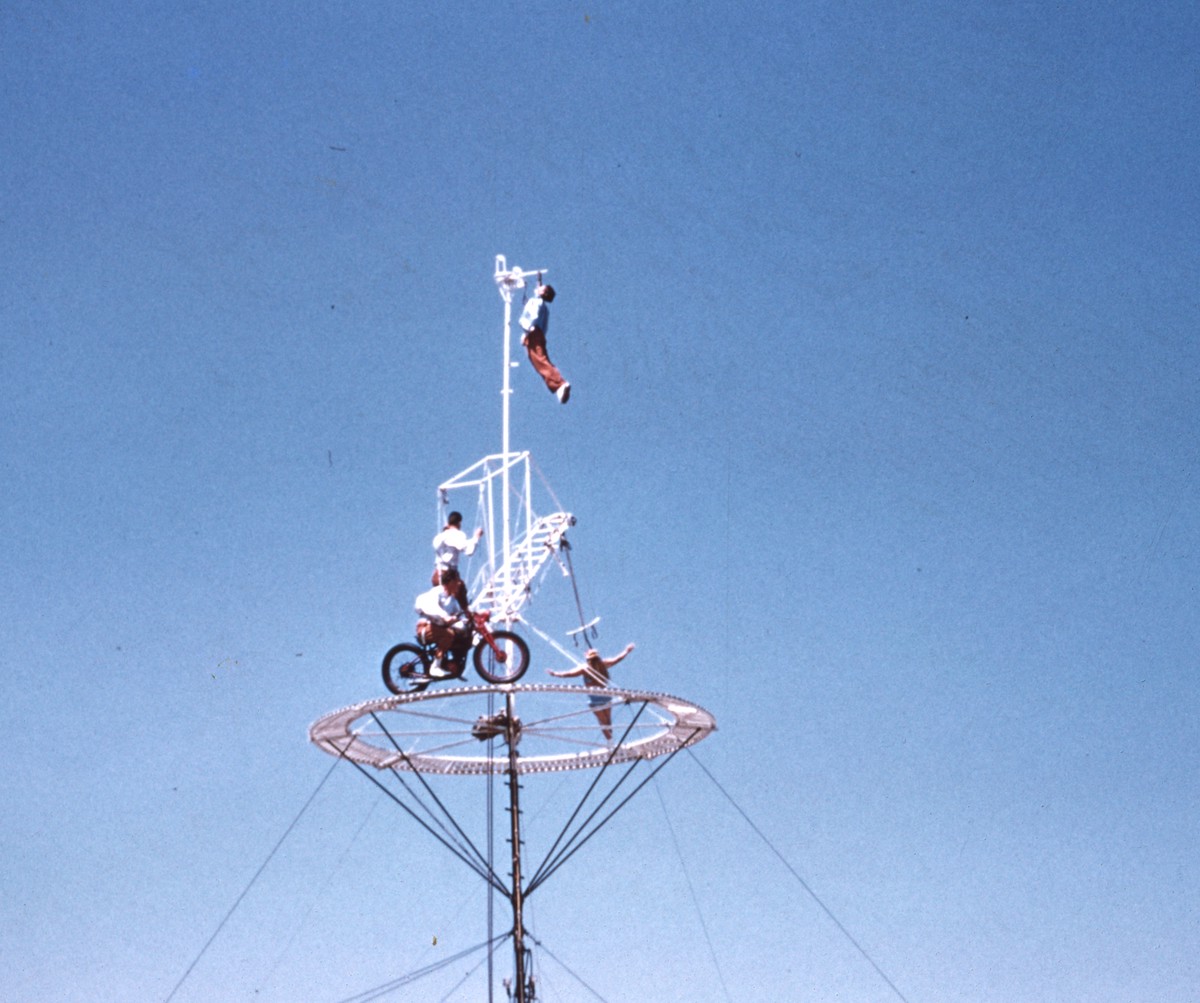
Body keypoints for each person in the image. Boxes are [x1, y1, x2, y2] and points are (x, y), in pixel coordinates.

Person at [548, 643, 635, 740]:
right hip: (605, 696)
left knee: (604, 722)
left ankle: (610, 742)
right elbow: (617, 659)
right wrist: (626, 651)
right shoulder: (601, 665)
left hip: (596, 699)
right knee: (607, 722)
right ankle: (611, 741)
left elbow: (569, 674)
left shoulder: (586, 669)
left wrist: (556, 674)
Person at [414, 568, 472, 677]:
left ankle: (451, 663)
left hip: (438, 628)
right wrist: (445, 617)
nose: (458, 584)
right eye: (456, 581)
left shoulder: (452, 600)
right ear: (450, 582)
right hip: (426, 627)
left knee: (462, 636)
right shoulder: (437, 592)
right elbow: (430, 606)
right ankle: (435, 666)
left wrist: (469, 619)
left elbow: (459, 615)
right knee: (449, 635)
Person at [518, 284, 570, 403]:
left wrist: (527, 330)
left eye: (541, 287)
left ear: (544, 293)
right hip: (539, 335)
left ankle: (559, 384)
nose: (538, 287)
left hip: (533, 333)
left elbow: (532, 316)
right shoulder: (544, 308)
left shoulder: (536, 302)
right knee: (541, 361)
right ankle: (557, 385)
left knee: (540, 361)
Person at [431, 511, 482, 610]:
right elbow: (469, 551)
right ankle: (467, 616)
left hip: (437, 574)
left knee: (445, 600)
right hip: (449, 576)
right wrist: (476, 537)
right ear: (459, 523)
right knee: (461, 594)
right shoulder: (457, 535)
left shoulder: (439, 537)